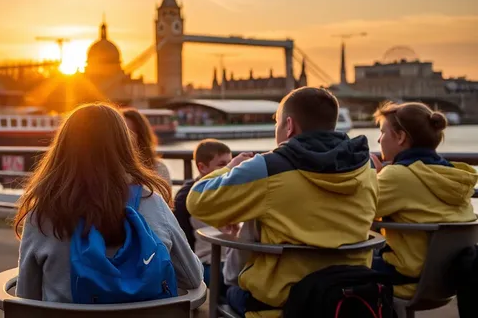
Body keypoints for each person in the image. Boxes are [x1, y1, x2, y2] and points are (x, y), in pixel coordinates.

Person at [187, 87, 378, 318]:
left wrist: (229, 169)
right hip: (348, 295)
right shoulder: (365, 167)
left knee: (219, 284)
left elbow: (197, 200)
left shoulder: (269, 168)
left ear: (289, 126)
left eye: (276, 123)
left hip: (279, 305)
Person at [14, 103, 202, 302]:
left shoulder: (42, 212)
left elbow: (26, 296)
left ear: (62, 148)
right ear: (125, 146)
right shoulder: (152, 202)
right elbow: (192, 277)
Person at [371, 102, 477, 299]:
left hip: (407, 279)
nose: (378, 139)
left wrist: (374, 178)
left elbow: (357, 211)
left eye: (383, 132)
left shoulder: (397, 176)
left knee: (339, 266)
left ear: (401, 137)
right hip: (447, 280)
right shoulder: (452, 175)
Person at [173, 139, 233, 287]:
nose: (229, 170)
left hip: (227, 260)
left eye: (231, 164)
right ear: (202, 168)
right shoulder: (188, 198)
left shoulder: (231, 191)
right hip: (207, 263)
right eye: (222, 165)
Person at [122, 108, 172, 185]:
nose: (123, 138)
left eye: (129, 133)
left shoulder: (159, 169)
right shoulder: (108, 169)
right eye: (121, 132)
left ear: (141, 137)